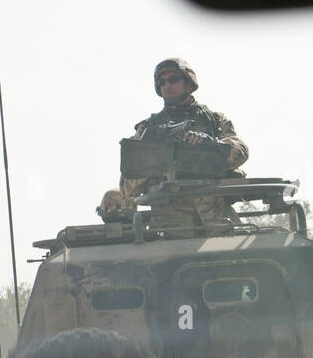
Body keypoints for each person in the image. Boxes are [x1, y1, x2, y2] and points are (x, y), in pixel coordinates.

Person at [98, 58, 249, 231]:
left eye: (173, 80)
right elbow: (127, 187)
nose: (167, 86)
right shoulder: (148, 129)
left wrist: (209, 145)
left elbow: (240, 150)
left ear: (189, 84)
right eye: (162, 82)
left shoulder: (214, 121)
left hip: (217, 215)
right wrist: (155, 154)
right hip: (169, 224)